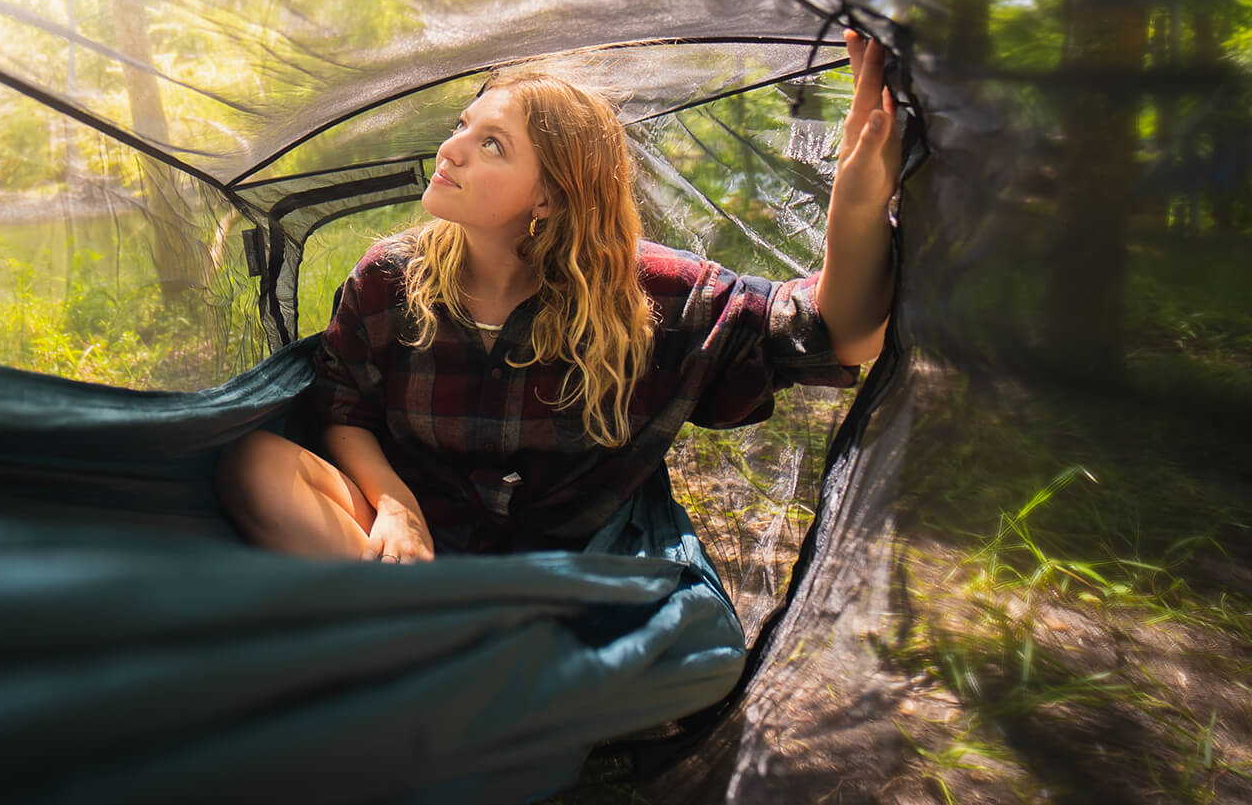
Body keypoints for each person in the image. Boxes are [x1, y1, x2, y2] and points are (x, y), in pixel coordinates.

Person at [217, 30, 900, 561]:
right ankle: (430, 634)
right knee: (256, 464)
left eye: (491, 144)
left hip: (567, 562)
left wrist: (857, 205)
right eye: (462, 125)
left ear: (548, 195)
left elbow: (841, 333)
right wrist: (394, 503)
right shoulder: (387, 279)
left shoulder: (651, 296)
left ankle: (429, 646)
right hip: (414, 552)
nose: (450, 149)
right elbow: (343, 407)